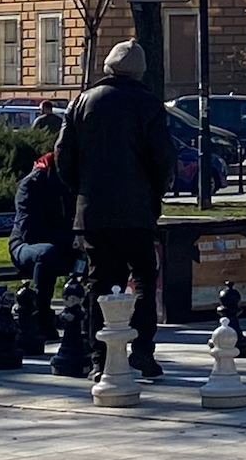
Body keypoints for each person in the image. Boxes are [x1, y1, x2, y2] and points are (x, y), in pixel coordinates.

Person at [54, 41, 176, 380]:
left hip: (94, 212)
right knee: (143, 280)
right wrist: (155, 191)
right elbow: (163, 158)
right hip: (137, 212)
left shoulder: (81, 102)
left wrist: (82, 191)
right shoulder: (148, 104)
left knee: (100, 283)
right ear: (139, 71)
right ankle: (142, 352)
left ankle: (99, 359)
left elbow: (64, 156)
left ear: (108, 67)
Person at [9, 149, 76, 312]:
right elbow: (29, 232)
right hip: (24, 245)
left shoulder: (71, 184)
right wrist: (71, 240)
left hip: (65, 245)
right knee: (46, 253)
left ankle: (94, 313)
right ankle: (41, 313)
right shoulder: (31, 185)